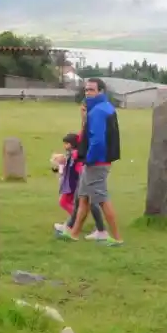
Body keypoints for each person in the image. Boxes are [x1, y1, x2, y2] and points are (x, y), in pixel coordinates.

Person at [58, 78, 124, 245]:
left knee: (102, 199)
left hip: (97, 162)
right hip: (98, 160)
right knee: (84, 198)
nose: (87, 93)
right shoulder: (104, 107)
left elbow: (97, 140)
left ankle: (117, 238)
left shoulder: (98, 111)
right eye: (86, 90)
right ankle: (74, 233)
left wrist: (89, 159)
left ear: (101, 91)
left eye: (91, 90)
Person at [54, 131, 108, 241]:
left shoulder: (92, 134)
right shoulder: (76, 149)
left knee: (92, 202)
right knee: (83, 203)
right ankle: (71, 226)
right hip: (86, 176)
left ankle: (99, 230)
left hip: (88, 175)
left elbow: (80, 166)